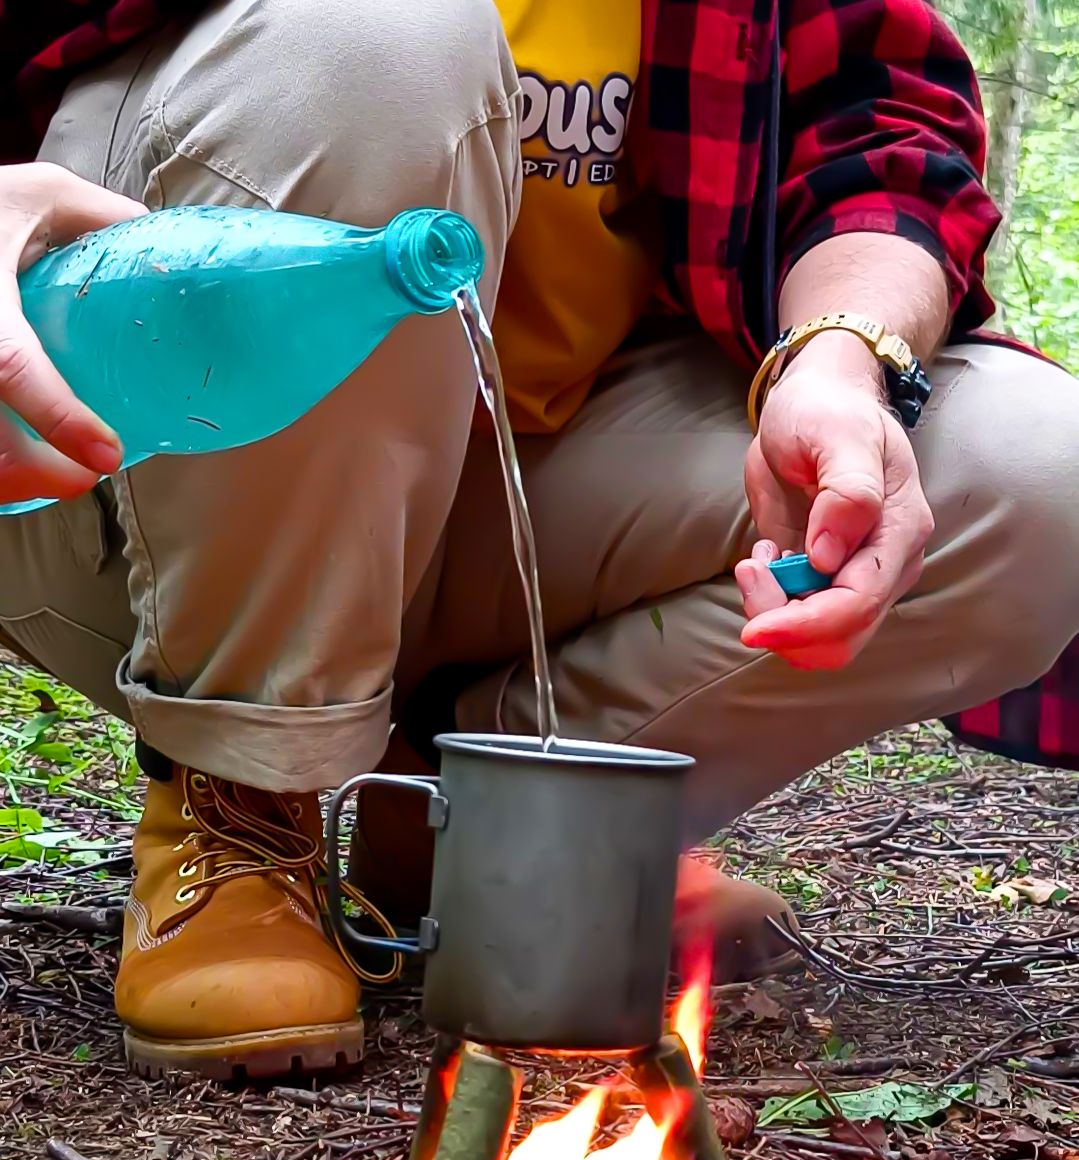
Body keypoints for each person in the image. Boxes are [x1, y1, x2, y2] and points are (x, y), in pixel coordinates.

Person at [0, 0, 1076, 1079]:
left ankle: (477, 815)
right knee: (382, 28)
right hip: (114, 448)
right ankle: (235, 805)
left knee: (1030, 477)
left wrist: (838, 362)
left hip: (538, 471)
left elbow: (875, 125)